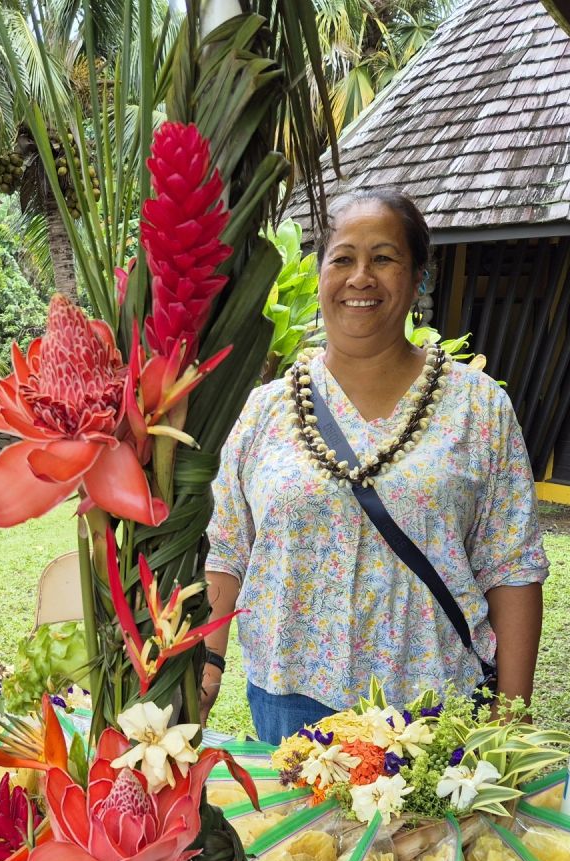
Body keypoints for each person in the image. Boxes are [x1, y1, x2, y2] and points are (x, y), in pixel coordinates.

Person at [201, 187, 548, 744]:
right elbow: (227, 549)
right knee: (305, 835)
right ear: (320, 277)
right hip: (292, 701)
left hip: (437, 701)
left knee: (430, 838)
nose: (360, 277)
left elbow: (512, 566)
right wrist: (206, 669)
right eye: (342, 258)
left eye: (384, 258)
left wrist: (511, 716)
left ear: (417, 280)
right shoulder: (264, 410)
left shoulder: (477, 408)